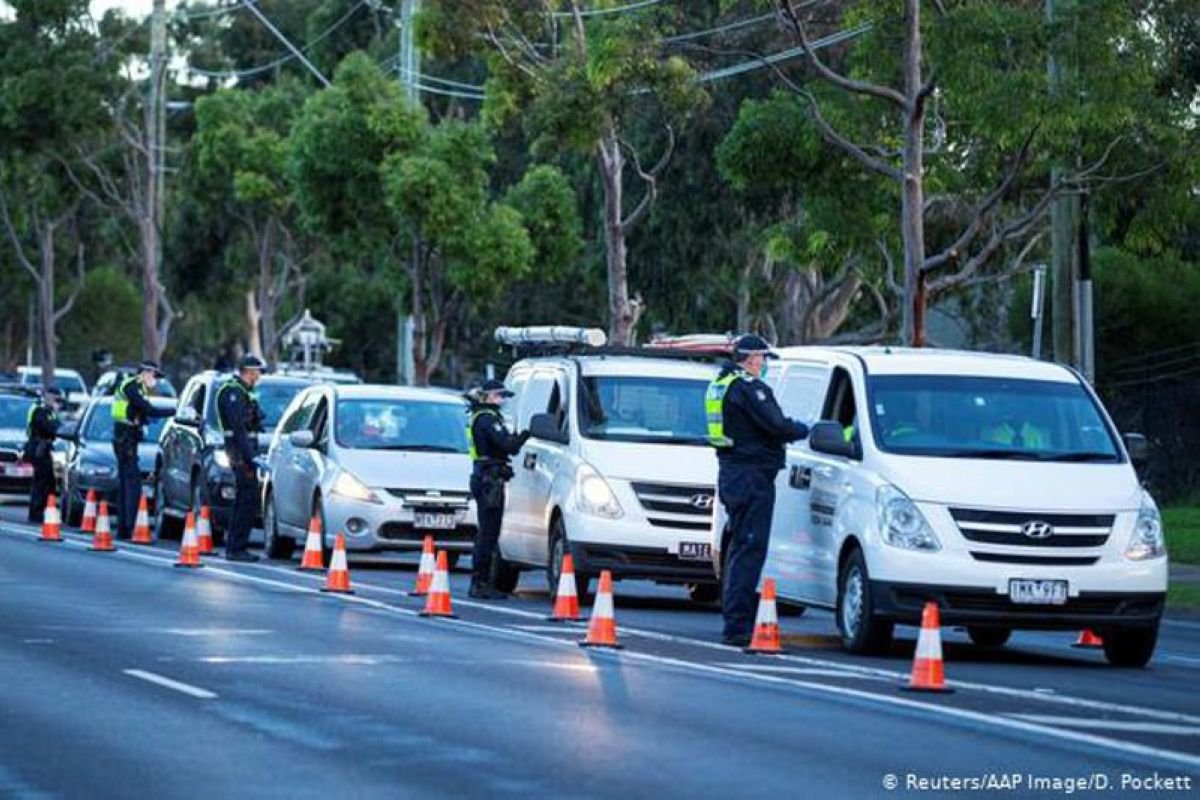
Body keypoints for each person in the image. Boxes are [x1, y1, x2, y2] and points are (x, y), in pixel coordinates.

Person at [707, 334, 809, 647]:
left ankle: (735, 618)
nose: (763, 364)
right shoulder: (749, 388)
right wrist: (807, 428)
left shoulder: (721, 383)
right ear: (751, 358)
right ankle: (738, 626)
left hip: (734, 473)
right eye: (762, 358)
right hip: (752, 476)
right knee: (750, 548)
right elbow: (776, 425)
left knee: (739, 547)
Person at [465, 379, 530, 599]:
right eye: (499, 396)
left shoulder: (483, 416)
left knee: (488, 531)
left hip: (486, 476)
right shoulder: (486, 419)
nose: (502, 400)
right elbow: (508, 447)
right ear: (488, 396)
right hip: (488, 480)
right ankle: (480, 583)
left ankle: (481, 582)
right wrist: (525, 435)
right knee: (488, 533)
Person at [112, 361, 174, 539]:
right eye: (154, 375)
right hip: (125, 438)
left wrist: (145, 419)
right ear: (146, 372)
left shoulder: (137, 388)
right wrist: (173, 411)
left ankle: (124, 529)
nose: (155, 380)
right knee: (132, 485)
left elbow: (141, 412)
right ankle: (131, 527)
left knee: (126, 483)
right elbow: (148, 408)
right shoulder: (132, 386)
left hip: (127, 437)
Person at [216, 354, 266, 562]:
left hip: (245, 450)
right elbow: (238, 429)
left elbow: (252, 423)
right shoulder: (232, 392)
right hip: (239, 451)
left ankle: (236, 546)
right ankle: (236, 548)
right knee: (247, 498)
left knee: (246, 498)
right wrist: (250, 457)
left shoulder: (245, 392)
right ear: (249, 371)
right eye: (257, 371)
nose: (259, 375)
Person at [24, 389, 61, 523]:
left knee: (48, 481)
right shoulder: (39, 410)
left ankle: (45, 510)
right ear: (46, 396)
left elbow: (57, 425)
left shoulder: (48, 410)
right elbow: (50, 427)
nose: (55, 401)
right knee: (41, 481)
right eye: (53, 398)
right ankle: (36, 513)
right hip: (38, 447)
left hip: (44, 448)